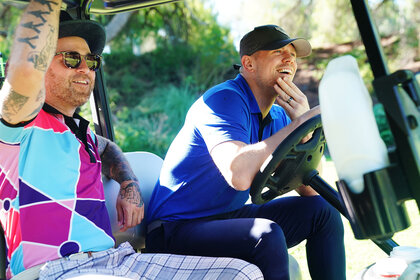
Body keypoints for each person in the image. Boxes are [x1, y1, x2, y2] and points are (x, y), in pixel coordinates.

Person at [0, 1, 263, 279]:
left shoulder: (80, 132)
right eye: (71, 58)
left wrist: (129, 183)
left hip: (115, 260)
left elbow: (106, 147)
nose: (85, 68)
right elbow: (24, 73)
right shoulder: (17, 126)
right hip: (52, 271)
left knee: (242, 273)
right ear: (41, 64)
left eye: (91, 60)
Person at [146, 24, 346, 280]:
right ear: (248, 64)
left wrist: (305, 130)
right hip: (175, 229)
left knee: (322, 212)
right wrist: (300, 122)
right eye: (278, 51)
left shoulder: (278, 115)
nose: (289, 59)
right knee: (265, 234)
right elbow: (238, 176)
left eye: (293, 54)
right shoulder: (223, 100)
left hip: (226, 217)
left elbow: (311, 190)